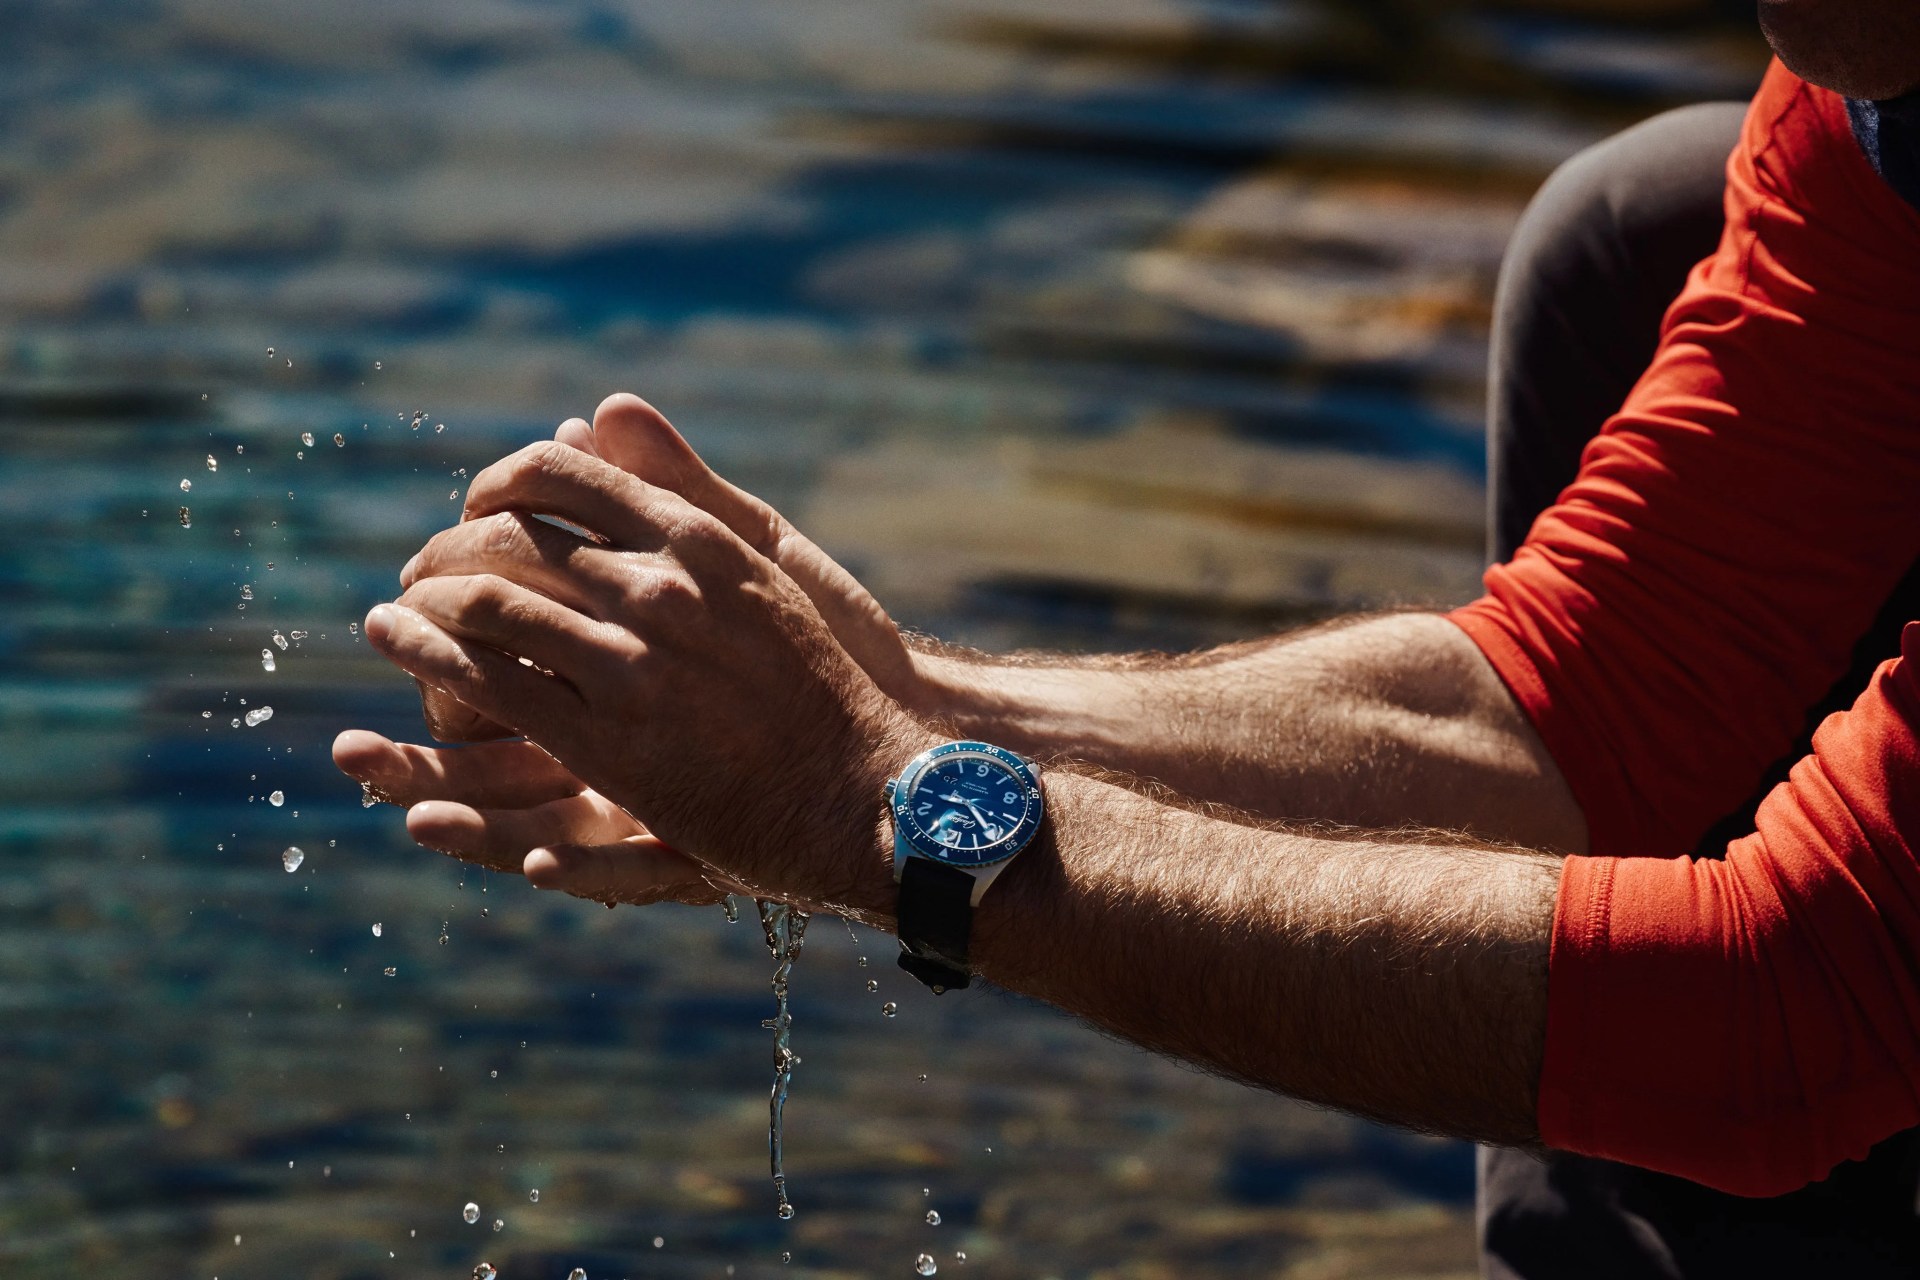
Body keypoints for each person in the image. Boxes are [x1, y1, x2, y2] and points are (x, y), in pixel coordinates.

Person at [333, 2, 1920, 1274]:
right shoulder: (1869, 100)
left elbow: (1781, 1004)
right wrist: (889, 700)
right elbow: (1593, 689)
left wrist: (881, 815)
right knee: (1635, 228)